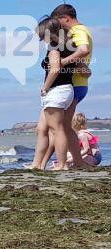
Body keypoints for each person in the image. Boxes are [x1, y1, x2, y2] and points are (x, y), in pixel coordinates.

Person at [30, 18, 76, 171]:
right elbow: (83, 67)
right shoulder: (69, 46)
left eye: (43, 35)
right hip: (64, 89)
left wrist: (45, 87)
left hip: (57, 90)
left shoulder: (54, 46)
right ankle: (36, 165)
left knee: (57, 129)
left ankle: (62, 165)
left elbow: (55, 69)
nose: (42, 39)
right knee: (42, 129)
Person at [52, 4, 94, 169]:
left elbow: (82, 50)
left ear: (65, 18)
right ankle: (76, 162)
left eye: (59, 23)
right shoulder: (84, 30)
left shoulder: (78, 32)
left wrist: (62, 62)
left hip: (75, 83)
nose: (58, 27)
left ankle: (71, 163)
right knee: (62, 126)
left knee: (62, 127)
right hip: (80, 83)